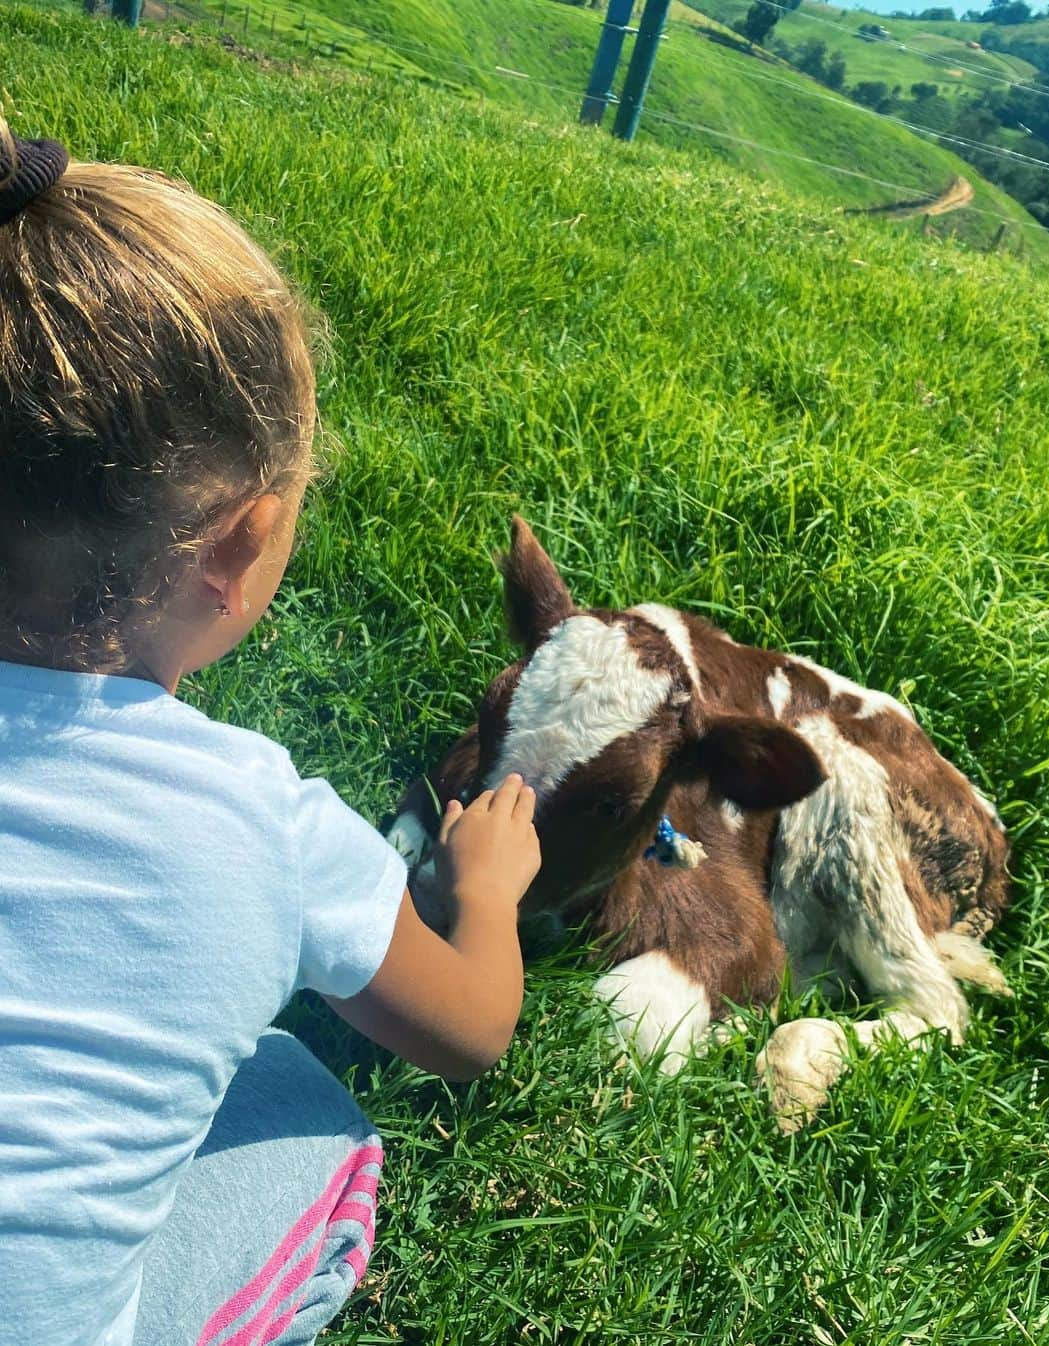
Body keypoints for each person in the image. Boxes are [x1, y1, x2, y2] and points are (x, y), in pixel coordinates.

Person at [0, 124, 541, 1346]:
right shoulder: (264, 819)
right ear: (242, 545)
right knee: (303, 1099)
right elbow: (469, 1031)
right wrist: (492, 889)